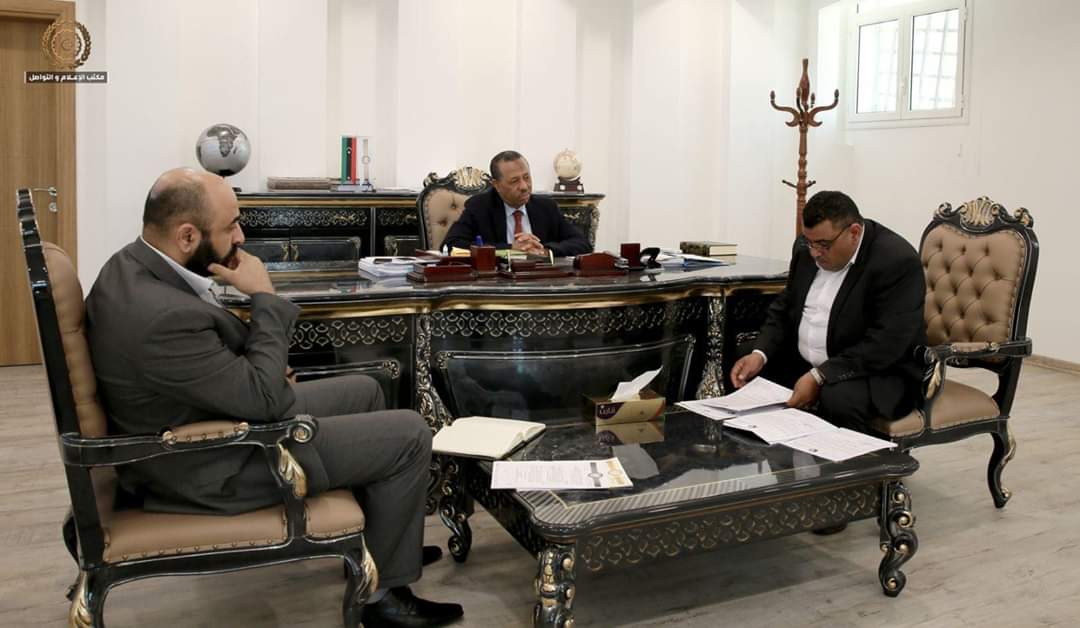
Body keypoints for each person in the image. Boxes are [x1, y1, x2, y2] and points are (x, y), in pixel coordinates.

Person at [85, 168, 463, 628]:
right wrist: (264, 296)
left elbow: (204, 367)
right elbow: (265, 399)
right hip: (212, 463)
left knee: (365, 389)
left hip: (207, 416)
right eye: (231, 226)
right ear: (187, 236)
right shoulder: (159, 317)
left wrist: (250, 370)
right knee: (410, 433)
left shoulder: (129, 266)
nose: (240, 237)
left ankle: (379, 549)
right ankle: (384, 599)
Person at [730, 190, 927, 427]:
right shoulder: (807, 249)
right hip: (808, 361)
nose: (814, 253)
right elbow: (784, 308)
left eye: (823, 245)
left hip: (875, 371)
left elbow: (885, 343)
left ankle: (844, 453)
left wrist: (821, 375)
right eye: (809, 242)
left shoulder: (895, 261)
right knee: (745, 364)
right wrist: (759, 354)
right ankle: (765, 446)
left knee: (837, 398)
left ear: (854, 233)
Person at [442, 150, 592, 257]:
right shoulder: (479, 207)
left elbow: (582, 243)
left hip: (541, 280)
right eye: (514, 181)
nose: (524, 186)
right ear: (496, 185)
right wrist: (510, 249)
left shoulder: (546, 207)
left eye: (527, 177)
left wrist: (545, 250)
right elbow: (451, 245)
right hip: (497, 284)